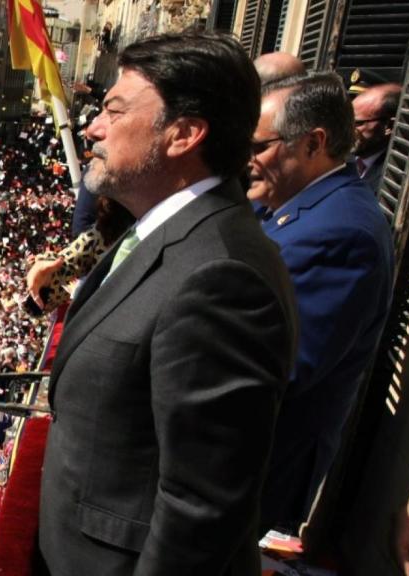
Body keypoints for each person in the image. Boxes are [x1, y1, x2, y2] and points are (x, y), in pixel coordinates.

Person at [34, 32, 297, 575]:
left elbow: (202, 508)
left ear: (183, 134)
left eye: (113, 110)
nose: (93, 127)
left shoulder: (221, 275)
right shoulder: (155, 233)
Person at [248, 72, 394, 532]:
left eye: (259, 147)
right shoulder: (288, 201)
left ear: (313, 144)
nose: (247, 160)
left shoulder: (344, 233)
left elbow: (277, 369)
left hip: (254, 479)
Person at [351, 82, 401, 192]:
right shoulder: (340, 158)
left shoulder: (394, 177)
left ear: (389, 126)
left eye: (357, 123)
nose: (347, 128)